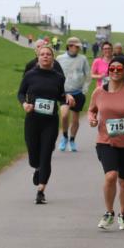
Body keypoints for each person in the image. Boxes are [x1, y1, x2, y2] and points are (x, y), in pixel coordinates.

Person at [88, 57, 124, 230]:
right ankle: (109, 212)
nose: (114, 72)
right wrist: (91, 119)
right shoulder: (98, 92)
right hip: (106, 141)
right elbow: (92, 110)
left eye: (119, 69)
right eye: (111, 69)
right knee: (110, 176)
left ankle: (123, 213)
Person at [17, 44, 75, 204]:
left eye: (48, 54)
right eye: (42, 54)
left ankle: (41, 190)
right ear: (38, 57)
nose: (45, 57)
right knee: (33, 157)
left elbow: (62, 96)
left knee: (46, 156)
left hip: (50, 121)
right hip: (33, 120)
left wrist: (67, 98)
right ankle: (36, 167)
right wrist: (24, 104)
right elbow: (21, 93)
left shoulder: (58, 77)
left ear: (52, 58)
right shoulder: (30, 75)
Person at [56, 37, 90, 152]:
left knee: (75, 119)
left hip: (78, 92)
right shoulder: (60, 58)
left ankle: (72, 140)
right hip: (64, 93)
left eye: (78, 47)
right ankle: (64, 137)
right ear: (69, 46)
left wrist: (84, 89)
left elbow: (88, 76)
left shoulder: (83, 59)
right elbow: (55, 74)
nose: (78, 48)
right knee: (64, 115)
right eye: (76, 46)